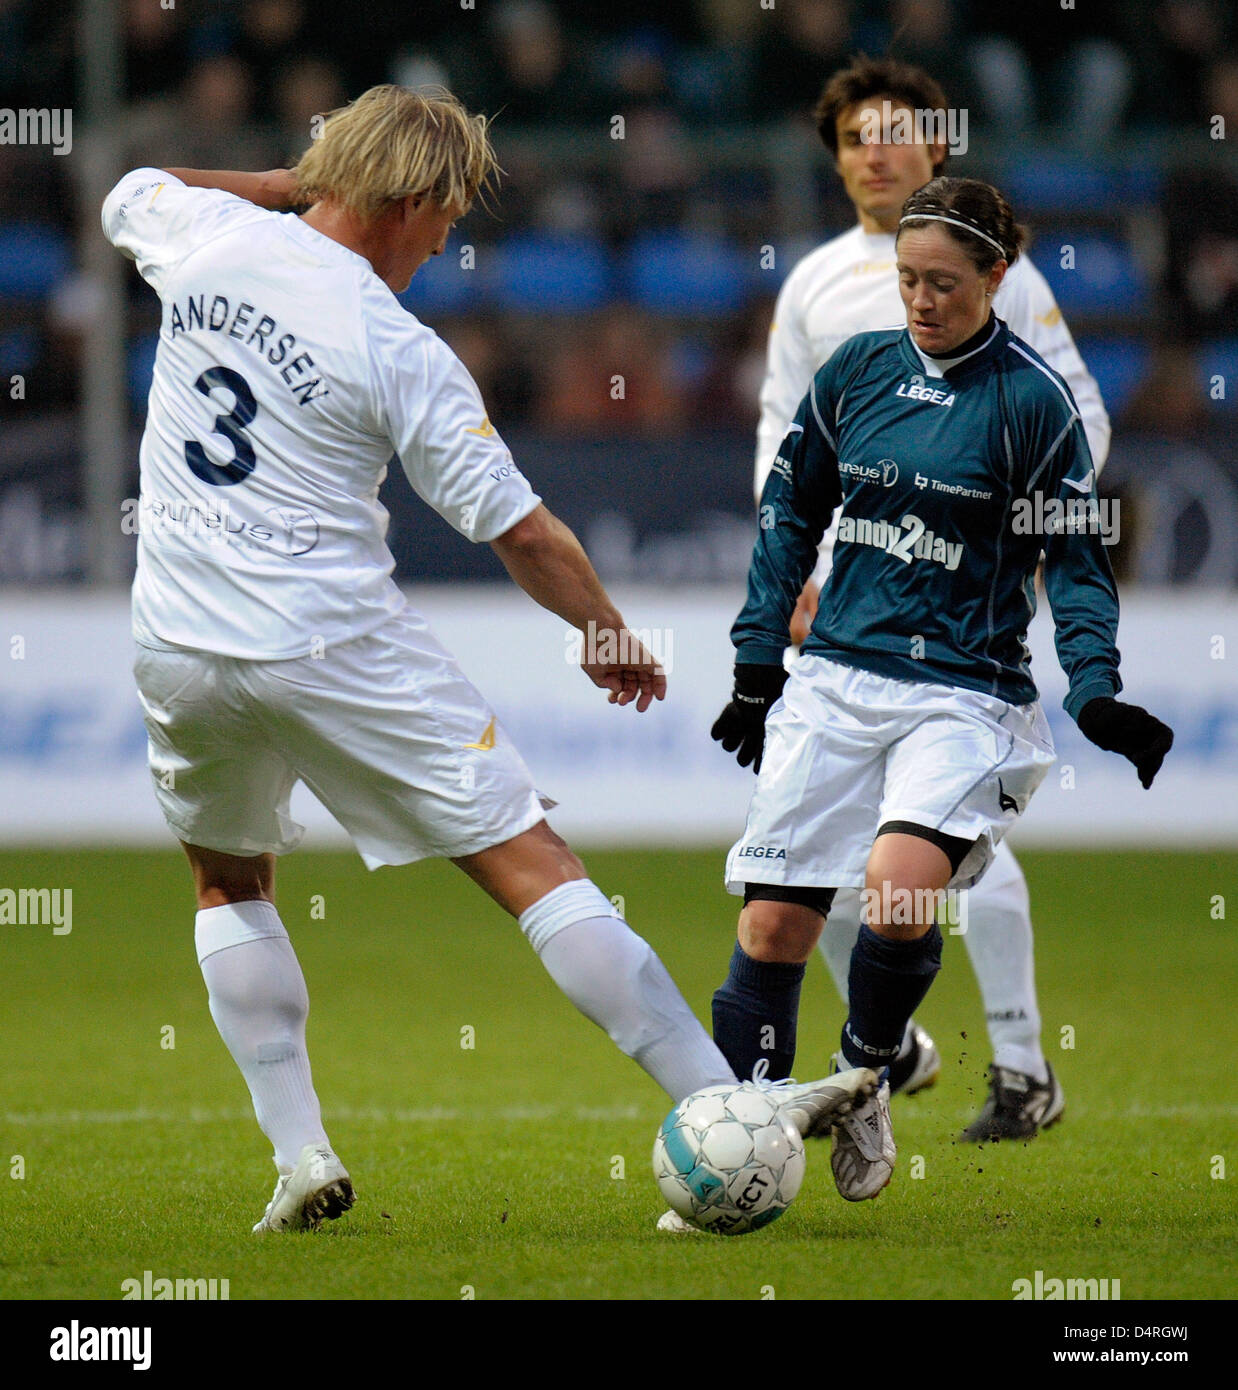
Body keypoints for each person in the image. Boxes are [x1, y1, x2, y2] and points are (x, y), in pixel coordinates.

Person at [101, 85, 874, 1233]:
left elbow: (129, 191)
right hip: (328, 645)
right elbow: (521, 529)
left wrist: (275, 189)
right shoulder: (392, 344)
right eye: (445, 217)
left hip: (176, 644)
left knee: (226, 880)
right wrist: (605, 633)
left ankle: (300, 1154)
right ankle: (729, 1105)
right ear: (405, 200)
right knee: (536, 867)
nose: (444, 241)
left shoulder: (207, 233)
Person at [709, 174, 1172, 1203]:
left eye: (942, 283)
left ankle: (865, 1069)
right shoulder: (857, 371)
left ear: (995, 278)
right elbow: (787, 519)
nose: (919, 301)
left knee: (899, 882)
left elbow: (1078, 569)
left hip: (962, 694)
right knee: (770, 929)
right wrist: (754, 663)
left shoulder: (1030, 406)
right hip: (833, 680)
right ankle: (740, 1145)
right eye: (906, 280)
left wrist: (1093, 691)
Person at [752, 55, 1113, 1141]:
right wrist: (793, 571)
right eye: (855, 136)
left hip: (964, 607)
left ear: (935, 146)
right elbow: (781, 436)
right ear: (834, 159)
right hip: (848, 603)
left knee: (950, 841)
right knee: (803, 851)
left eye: (896, 131)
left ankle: (1012, 1061)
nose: (876, 150)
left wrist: (1006, 520)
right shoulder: (812, 282)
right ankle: (891, 1048)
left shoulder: (1003, 275)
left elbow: (1077, 422)